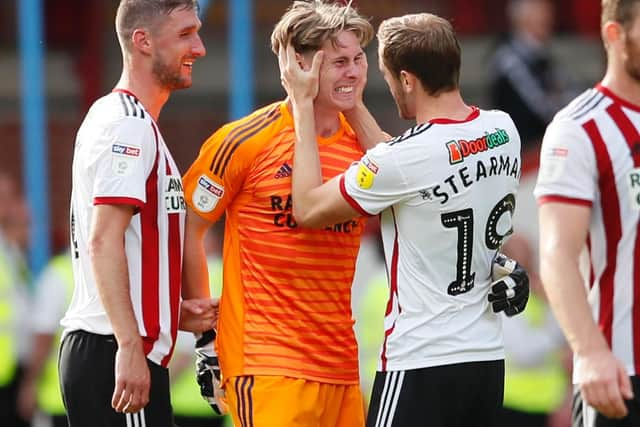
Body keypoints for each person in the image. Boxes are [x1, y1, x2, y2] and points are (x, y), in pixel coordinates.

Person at [279, 12, 528, 427]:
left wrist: (303, 106)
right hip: (485, 362)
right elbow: (415, 168)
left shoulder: (404, 159)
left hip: (420, 363)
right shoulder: (503, 129)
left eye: (387, 76)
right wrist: (354, 106)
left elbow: (307, 207)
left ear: (407, 79)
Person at [181, 1, 376, 425]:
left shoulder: (363, 146)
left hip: (342, 368)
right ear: (299, 65)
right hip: (268, 366)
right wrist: (206, 341)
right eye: (338, 62)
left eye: (359, 59)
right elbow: (185, 229)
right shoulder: (245, 141)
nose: (355, 72)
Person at [58, 1, 216, 426]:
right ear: (142, 41)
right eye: (185, 34)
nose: (199, 48)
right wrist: (130, 344)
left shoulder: (134, 122)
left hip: (120, 347)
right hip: (117, 351)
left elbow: (126, 243)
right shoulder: (126, 125)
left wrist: (166, 310)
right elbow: (103, 239)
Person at [535, 0, 640, 424]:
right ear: (616, 36)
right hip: (621, 372)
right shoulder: (578, 128)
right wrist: (591, 351)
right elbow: (557, 255)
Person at [497, 233, 570, 427]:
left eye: (528, 258)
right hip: (514, 404)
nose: (525, 266)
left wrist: (552, 304)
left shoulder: (541, 296)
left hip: (547, 405)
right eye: (518, 259)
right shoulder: (502, 299)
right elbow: (525, 352)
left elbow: (569, 339)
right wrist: (556, 344)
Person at [488, 0, 578, 148]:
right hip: (523, 149)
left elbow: (570, 91)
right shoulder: (507, 60)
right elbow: (541, 106)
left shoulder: (543, 56)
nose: (549, 17)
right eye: (542, 11)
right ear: (522, 18)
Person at [17, 250, 73, 427]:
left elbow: (44, 335)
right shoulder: (112, 266)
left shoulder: (58, 273)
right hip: (100, 393)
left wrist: (29, 383)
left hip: (57, 395)